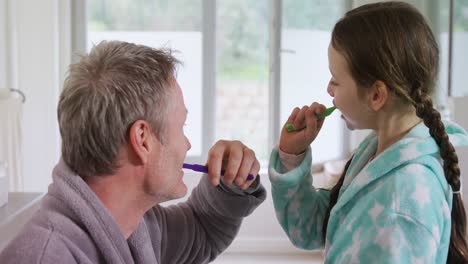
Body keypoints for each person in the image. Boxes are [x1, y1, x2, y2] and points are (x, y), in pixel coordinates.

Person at [0, 41, 266, 264]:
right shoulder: (45, 257)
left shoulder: (138, 226)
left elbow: (202, 229)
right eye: (181, 126)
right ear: (143, 139)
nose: (186, 145)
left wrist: (232, 183)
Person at [269, 2, 468, 263]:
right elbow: (313, 227)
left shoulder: (404, 201)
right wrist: (291, 154)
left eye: (335, 80)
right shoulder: (377, 153)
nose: (328, 89)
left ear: (376, 95)